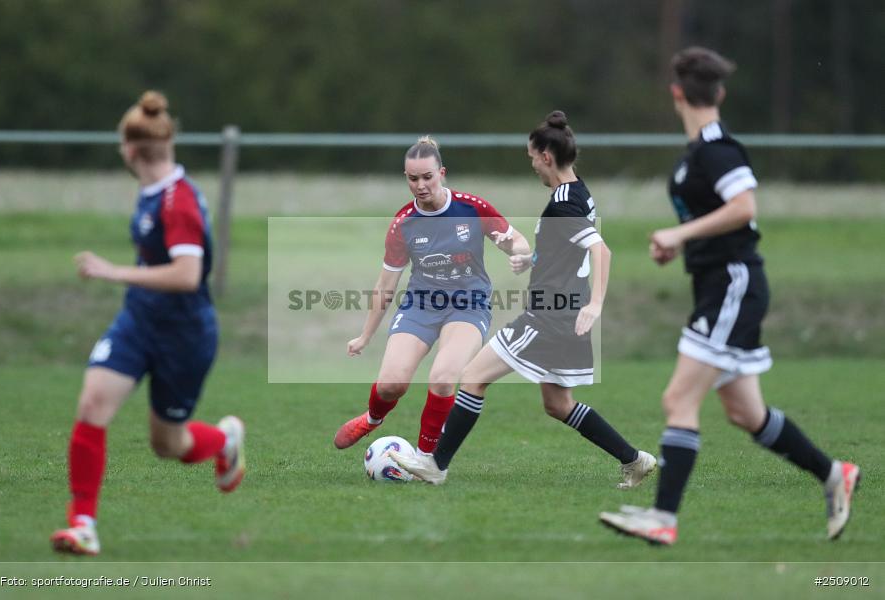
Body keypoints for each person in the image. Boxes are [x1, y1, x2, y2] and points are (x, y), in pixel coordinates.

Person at [598, 47, 860, 545]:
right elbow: (721, 216)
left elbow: (743, 207)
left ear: (677, 93)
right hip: (718, 283)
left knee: (678, 398)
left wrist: (679, 234)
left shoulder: (717, 148)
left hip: (732, 285)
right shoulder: (697, 154)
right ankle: (834, 474)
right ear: (719, 92)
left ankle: (662, 518)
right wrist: (683, 244)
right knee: (745, 413)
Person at [389, 111, 657, 489]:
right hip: (565, 315)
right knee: (558, 405)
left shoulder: (563, 202)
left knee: (473, 377)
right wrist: (530, 259)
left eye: (532, 157)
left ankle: (436, 465)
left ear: (546, 156)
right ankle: (635, 459)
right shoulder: (578, 191)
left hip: (549, 318)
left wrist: (595, 305)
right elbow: (568, 250)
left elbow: (601, 250)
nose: (531, 164)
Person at [50, 91, 245, 556]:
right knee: (92, 404)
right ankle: (83, 525)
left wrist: (113, 271)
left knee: (168, 444)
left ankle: (224, 441)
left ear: (129, 149)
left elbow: (187, 275)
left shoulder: (178, 203)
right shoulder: (154, 190)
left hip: (185, 335)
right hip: (138, 321)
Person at [333, 136, 530, 455]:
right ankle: (371, 419)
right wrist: (365, 336)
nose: (421, 185)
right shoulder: (404, 224)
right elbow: (386, 285)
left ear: (442, 173)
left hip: (468, 306)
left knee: (442, 378)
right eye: (413, 179)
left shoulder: (471, 208)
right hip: (421, 305)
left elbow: (515, 240)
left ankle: (426, 459)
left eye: (427, 177)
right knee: (391, 385)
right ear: (406, 178)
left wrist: (519, 252)